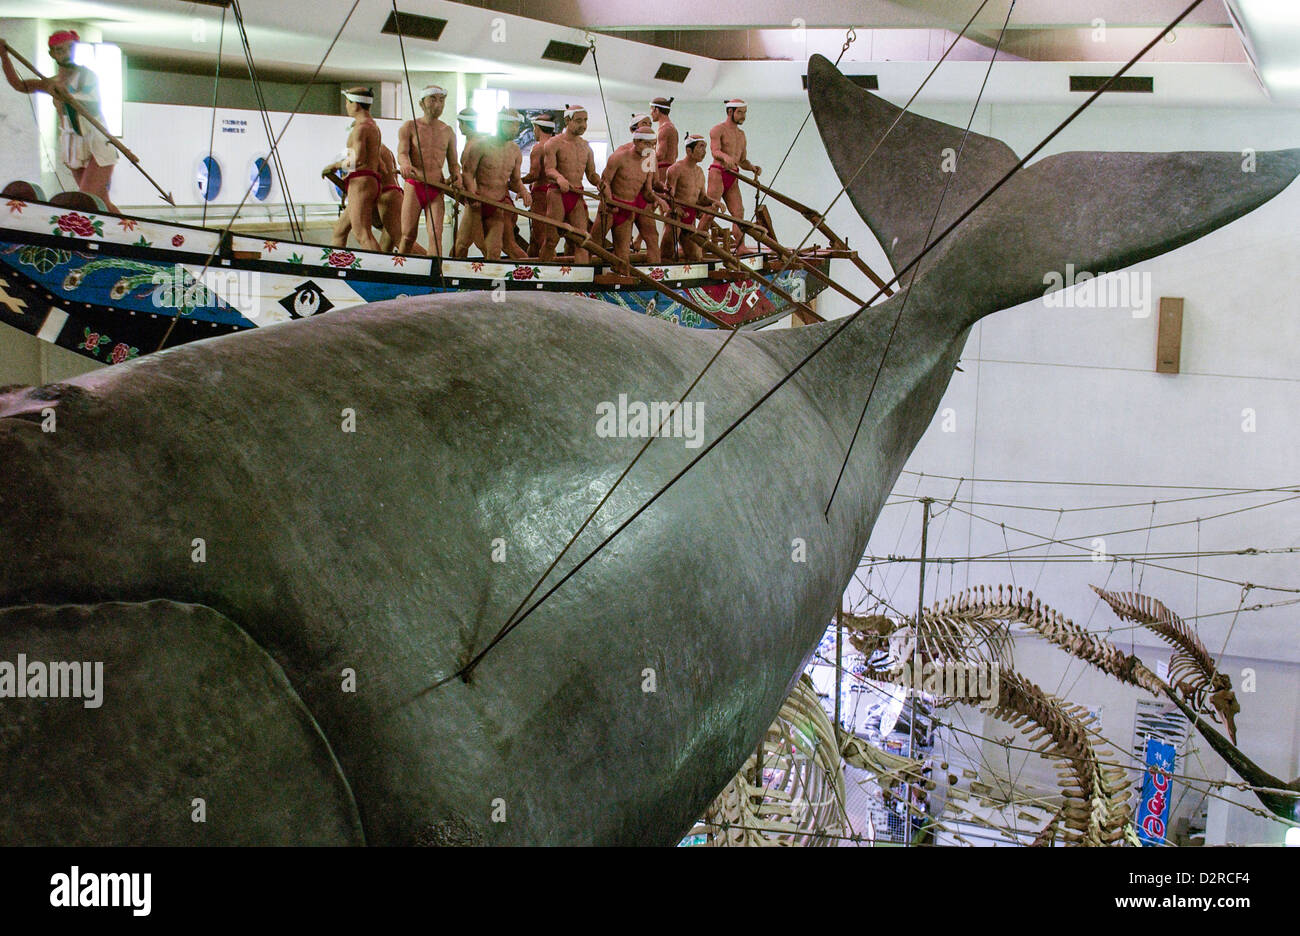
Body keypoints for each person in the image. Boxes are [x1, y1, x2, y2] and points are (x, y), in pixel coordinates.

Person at [0, 31, 119, 212]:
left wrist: (66, 95)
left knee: (86, 201)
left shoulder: (88, 76)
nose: (67, 53)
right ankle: (130, 235)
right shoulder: (51, 83)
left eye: (71, 48)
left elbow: (93, 105)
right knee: (102, 203)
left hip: (96, 142)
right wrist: (4, 56)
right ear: (53, 54)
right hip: (73, 144)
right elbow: (19, 85)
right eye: (60, 50)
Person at [397, 84, 459, 255]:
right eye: (433, 99)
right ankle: (399, 269)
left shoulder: (447, 131)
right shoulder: (409, 127)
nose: (438, 104)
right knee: (408, 235)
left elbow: (454, 163)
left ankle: (435, 275)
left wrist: (456, 175)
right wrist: (405, 164)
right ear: (421, 103)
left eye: (441, 100)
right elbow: (402, 153)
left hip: (436, 187)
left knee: (436, 236)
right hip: (415, 185)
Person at [461, 108, 530, 260]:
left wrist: (524, 191)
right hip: (477, 205)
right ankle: (450, 278)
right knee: (462, 245)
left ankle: (491, 281)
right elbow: (467, 173)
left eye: (517, 126)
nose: (515, 129)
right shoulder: (480, 146)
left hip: (498, 206)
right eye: (512, 125)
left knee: (494, 251)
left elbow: (516, 180)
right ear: (500, 123)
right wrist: (472, 195)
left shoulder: (515, 151)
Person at [602, 129, 670, 270]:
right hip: (611, 206)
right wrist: (609, 200)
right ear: (636, 141)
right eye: (647, 144)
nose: (650, 148)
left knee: (623, 254)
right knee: (594, 244)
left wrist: (660, 198)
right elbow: (604, 182)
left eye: (653, 144)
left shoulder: (649, 159)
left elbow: (647, 191)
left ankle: (632, 278)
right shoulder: (619, 157)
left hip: (628, 208)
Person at [541, 105, 600, 263]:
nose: (584, 125)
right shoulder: (553, 143)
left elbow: (592, 174)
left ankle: (581, 279)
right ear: (567, 120)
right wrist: (559, 178)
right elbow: (549, 169)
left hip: (577, 195)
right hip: (557, 195)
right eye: (579, 120)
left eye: (586, 120)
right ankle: (543, 273)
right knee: (551, 240)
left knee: (581, 241)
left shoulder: (586, 147)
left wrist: (601, 183)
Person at [323, 143, 401, 250]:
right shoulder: (384, 150)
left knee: (345, 231)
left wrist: (335, 166)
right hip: (393, 196)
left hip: (376, 195)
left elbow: (359, 183)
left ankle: (336, 262)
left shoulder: (368, 148)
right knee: (388, 247)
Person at [708, 99, 762, 252]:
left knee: (738, 212)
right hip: (718, 173)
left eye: (745, 112)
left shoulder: (741, 135)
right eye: (740, 112)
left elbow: (742, 160)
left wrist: (752, 167)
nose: (743, 116)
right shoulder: (718, 129)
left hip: (733, 176)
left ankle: (740, 246)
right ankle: (696, 242)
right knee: (710, 210)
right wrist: (725, 157)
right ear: (730, 112)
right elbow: (715, 151)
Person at [659, 133, 720, 262]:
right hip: (676, 215)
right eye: (700, 147)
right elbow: (668, 196)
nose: (704, 152)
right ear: (689, 150)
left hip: (690, 217)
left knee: (694, 256)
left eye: (705, 147)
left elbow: (702, 198)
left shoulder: (700, 172)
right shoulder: (675, 169)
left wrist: (715, 203)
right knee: (666, 253)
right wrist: (675, 209)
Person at [337, 86, 383, 252]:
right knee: (340, 231)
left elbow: (357, 158)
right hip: (368, 181)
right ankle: (335, 263)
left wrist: (336, 166)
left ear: (355, 104)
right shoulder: (373, 126)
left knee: (362, 233)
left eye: (347, 102)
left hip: (361, 183)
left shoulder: (361, 127)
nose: (346, 106)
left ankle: (380, 270)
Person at [451, 106, 487, 258]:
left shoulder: (474, 144)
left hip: (476, 199)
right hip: (473, 198)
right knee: (461, 244)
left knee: (482, 243)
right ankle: (453, 273)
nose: (459, 128)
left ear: (464, 124)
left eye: (460, 124)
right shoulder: (475, 141)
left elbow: (469, 175)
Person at [522, 114, 556, 257]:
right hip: (555, 195)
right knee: (535, 239)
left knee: (541, 236)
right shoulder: (558, 145)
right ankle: (530, 266)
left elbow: (534, 175)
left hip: (541, 195)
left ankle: (549, 269)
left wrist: (517, 182)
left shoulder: (538, 148)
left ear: (537, 128)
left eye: (534, 128)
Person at [650, 97, 678, 186]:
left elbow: (660, 155)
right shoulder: (671, 127)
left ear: (656, 110)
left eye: (651, 110)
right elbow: (675, 154)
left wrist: (641, 160)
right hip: (669, 169)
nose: (651, 113)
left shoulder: (664, 129)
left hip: (663, 171)